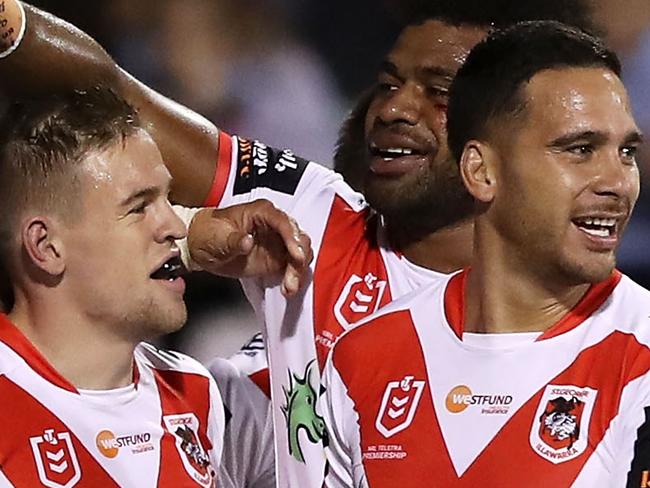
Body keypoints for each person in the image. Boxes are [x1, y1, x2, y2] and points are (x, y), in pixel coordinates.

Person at [0, 1, 598, 486]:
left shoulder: (595, 330)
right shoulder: (316, 216)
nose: (394, 107)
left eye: (439, 92)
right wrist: (188, 235)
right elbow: (111, 91)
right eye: (390, 82)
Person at [322, 21, 648, 487]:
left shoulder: (641, 357)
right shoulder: (362, 358)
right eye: (580, 149)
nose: (618, 183)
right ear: (481, 171)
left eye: (627, 153)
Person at [0, 86, 232, 487]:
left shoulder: (193, 391)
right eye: (140, 206)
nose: (177, 227)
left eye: (168, 199)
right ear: (46, 246)